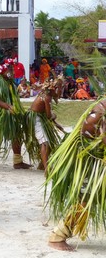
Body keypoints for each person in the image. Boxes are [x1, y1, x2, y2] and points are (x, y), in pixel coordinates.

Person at [46, 98, 106, 251]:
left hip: (95, 160)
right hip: (90, 164)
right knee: (85, 201)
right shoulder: (99, 115)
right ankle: (57, 236)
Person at [25, 77, 64, 173]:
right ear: (52, 89)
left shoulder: (48, 94)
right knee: (45, 143)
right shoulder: (47, 96)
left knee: (50, 141)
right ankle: (47, 168)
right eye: (58, 88)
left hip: (40, 117)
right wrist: (54, 117)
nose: (59, 91)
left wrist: (55, 123)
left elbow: (47, 115)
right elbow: (48, 115)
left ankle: (42, 165)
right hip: (35, 118)